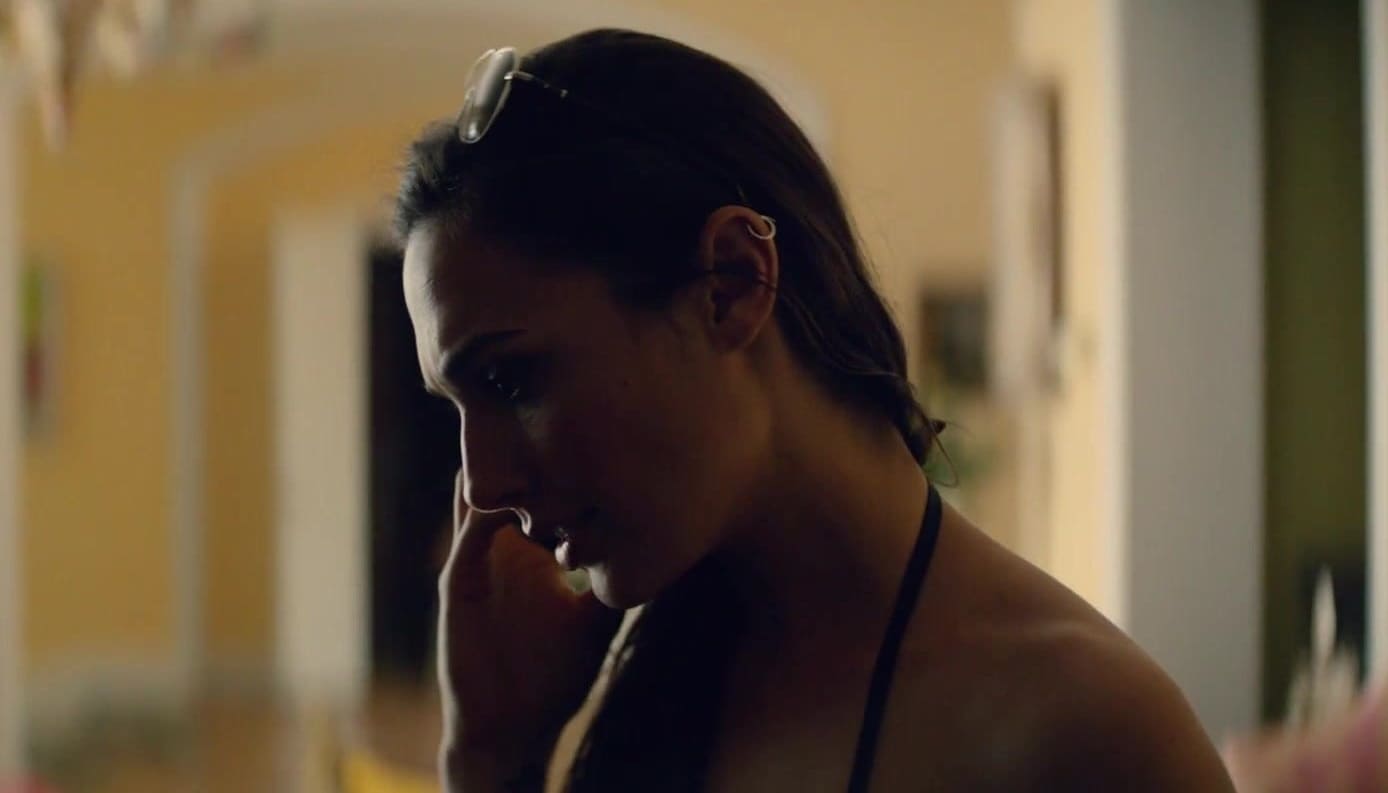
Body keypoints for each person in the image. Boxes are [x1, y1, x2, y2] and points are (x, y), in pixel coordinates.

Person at [394, 28, 1236, 793]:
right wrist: (490, 764)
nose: (486, 482)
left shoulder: (1086, 732)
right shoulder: (659, 675)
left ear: (730, 284)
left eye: (510, 380)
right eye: (457, 406)